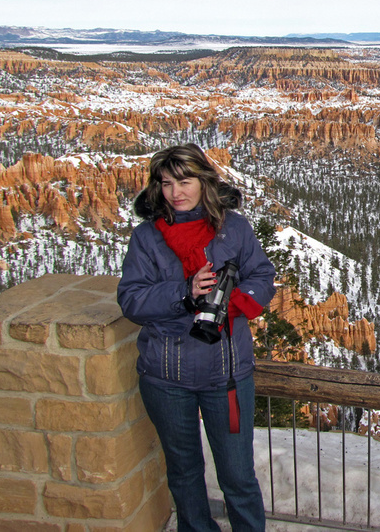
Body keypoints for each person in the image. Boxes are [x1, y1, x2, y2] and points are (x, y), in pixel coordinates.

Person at [117, 144, 275, 532]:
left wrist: (233, 302)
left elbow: (262, 275)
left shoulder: (233, 228)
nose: (176, 192)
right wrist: (184, 294)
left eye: (185, 181)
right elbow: (132, 299)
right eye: (167, 183)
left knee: (238, 475)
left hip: (228, 377)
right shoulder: (146, 238)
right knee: (184, 473)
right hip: (166, 378)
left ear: (204, 181)